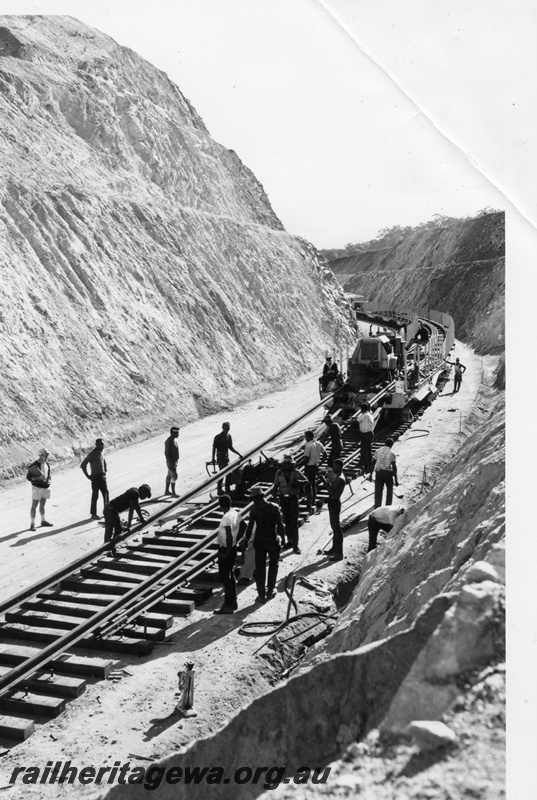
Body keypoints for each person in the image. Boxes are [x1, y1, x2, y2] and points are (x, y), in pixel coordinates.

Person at [243, 487, 284, 603]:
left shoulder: (254, 510)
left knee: (260, 568)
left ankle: (261, 596)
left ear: (256, 498)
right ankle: (270, 591)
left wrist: (246, 540)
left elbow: (250, 528)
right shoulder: (274, 507)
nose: (253, 501)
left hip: (260, 541)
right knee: (273, 565)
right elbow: (280, 525)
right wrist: (283, 540)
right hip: (272, 540)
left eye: (253, 499)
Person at [273, 454, 308, 554]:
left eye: (290, 463)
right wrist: (275, 500)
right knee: (287, 521)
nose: (288, 465)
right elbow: (275, 486)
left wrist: (298, 482)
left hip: (293, 499)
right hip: (283, 499)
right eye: (286, 463)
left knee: (294, 522)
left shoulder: (296, 472)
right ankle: (290, 541)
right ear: (283, 464)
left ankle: (296, 546)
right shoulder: (279, 473)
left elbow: (306, 481)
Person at [103, 484, 151, 555]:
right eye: (145, 495)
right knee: (109, 531)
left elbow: (137, 507)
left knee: (118, 529)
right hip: (110, 509)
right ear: (142, 490)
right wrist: (129, 525)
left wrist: (142, 519)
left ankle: (112, 548)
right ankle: (107, 551)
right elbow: (131, 510)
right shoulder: (135, 493)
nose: (144, 498)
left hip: (112, 510)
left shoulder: (135, 492)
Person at [214, 494, 241, 614]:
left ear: (220, 506)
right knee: (230, 575)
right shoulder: (235, 513)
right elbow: (243, 526)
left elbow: (229, 536)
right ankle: (233, 603)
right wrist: (236, 541)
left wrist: (227, 552)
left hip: (226, 549)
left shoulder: (225, 517)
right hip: (232, 548)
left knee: (225, 577)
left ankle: (228, 605)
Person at [80, 438, 108, 519]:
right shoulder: (92, 454)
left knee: (106, 494)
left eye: (102, 444)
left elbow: (104, 462)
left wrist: (105, 472)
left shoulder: (102, 452)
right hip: (95, 478)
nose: (102, 446)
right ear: (96, 445)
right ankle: (93, 514)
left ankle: (107, 511)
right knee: (95, 496)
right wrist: (88, 476)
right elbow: (83, 465)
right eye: (100, 444)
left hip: (102, 477)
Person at [324, 459, 346, 560]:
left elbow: (332, 491)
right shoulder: (339, 476)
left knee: (336, 528)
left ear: (339, 466)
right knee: (334, 527)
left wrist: (324, 481)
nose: (332, 468)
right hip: (333, 502)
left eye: (334, 466)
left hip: (334, 503)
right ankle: (334, 548)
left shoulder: (340, 479)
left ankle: (339, 553)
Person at [212, 422, 243, 495]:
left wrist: (238, 453)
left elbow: (230, 447)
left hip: (226, 457)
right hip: (220, 457)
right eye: (224, 428)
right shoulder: (218, 437)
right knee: (223, 473)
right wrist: (213, 458)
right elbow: (214, 448)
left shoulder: (229, 436)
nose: (226, 430)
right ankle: (220, 490)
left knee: (227, 473)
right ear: (222, 428)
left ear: (229, 429)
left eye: (227, 428)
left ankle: (226, 489)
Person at [27, 447, 53, 531]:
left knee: (42, 505)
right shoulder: (34, 465)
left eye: (47, 455)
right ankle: (32, 524)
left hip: (44, 487)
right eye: (46, 455)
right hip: (37, 488)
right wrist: (38, 477)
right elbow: (29, 477)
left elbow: (48, 475)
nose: (47, 456)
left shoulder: (47, 464)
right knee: (34, 506)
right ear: (41, 455)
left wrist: (49, 480)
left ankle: (43, 521)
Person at [369, 438, 398, 508]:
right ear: (391, 445)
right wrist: (396, 479)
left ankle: (377, 508)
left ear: (385, 443)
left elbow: (373, 463)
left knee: (378, 493)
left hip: (379, 473)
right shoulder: (392, 453)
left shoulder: (377, 451)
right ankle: (388, 508)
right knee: (389, 492)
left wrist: (370, 475)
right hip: (388, 474)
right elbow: (394, 467)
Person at [303, 430, 327, 513]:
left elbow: (306, 459)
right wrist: (320, 463)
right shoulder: (318, 443)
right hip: (315, 466)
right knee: (313, 484)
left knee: (307, 485)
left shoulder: (308, 446)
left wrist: (298, 464)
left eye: (306, 437)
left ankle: (309, 504)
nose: (305, 438)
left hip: (309, 468)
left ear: (309, 436)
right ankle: (313, 501)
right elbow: (325, 454)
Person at [357, 404, 375, 472]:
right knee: (368, 449)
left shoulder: (365, 415)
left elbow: (357, 420)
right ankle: (369, 463)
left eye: (361, 409)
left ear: (363, 409)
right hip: (369, 434)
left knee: (365, 449)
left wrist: (347, 423)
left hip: (365, 434)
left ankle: (366, 464)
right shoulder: (369, 414)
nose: (360, 410)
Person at [164, 426, 180, 496]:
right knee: (174, 476)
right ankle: (173, 493)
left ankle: (167, 491)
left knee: (169, 476)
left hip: (174, 461)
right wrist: (170, 462)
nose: (178, 434)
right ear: (172, 433)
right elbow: (166, 453)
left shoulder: (174, 441)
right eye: (176, 433)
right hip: (171, 462)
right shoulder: (169, 441)